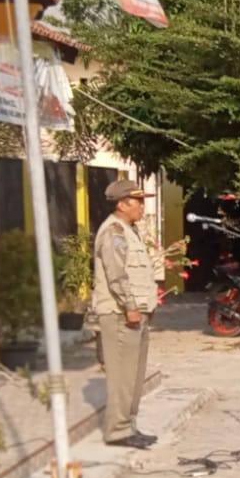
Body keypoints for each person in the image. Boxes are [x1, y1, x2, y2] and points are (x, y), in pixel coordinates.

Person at [92, 179, 159, 449]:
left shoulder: (129, 231)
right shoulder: (114, 233)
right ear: (122, 204)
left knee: (134, 374)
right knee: (122, 376)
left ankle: (128, 426)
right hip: (120, 314)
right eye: (138, 201)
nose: (143, 207)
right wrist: (131, 306)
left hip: (137, 313)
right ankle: (118, 431)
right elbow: (116, 275)